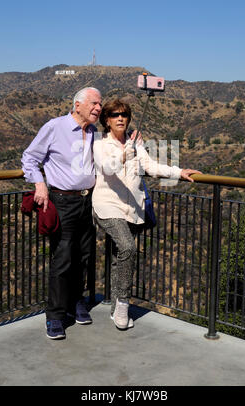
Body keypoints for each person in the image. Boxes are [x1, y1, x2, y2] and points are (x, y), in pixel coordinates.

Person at [92, 98, 201, 330]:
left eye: (124, 114)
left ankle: (114, 310)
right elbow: (105, 168)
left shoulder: (135, 143)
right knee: (128, 247)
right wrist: (123, 155)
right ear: (107, 121)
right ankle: (122, 304)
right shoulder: (100, 144)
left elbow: (151, 167)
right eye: (114, 115)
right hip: (107, 205)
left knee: (118, 256)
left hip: (132, 207)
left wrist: (179, 172)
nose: (120, 118)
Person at [21, 87, 102, 340]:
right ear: (77, 105)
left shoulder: (94, 132)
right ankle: (55, 316)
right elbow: (30, 158)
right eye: (94, 103)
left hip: (87, 202)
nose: (98, 108)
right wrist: (40, 184)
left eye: (100, 104)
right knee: (63, 258)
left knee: (84, 256)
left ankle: (76, 302)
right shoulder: (55, 127)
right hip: (62, 201)